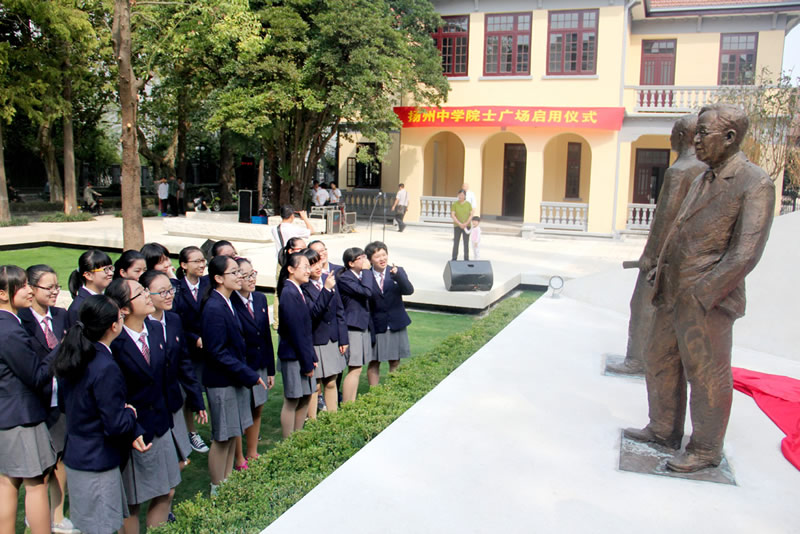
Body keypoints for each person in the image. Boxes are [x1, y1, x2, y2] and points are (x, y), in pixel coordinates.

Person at [624, 104, 776, 473]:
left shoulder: (755, 182)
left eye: (703, 133)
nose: (696, 140)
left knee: (706, 373)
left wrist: (703, 293)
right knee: (659, 359)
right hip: (672, 291)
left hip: (707, 299)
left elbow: (745, 253)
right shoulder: (701, 177)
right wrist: (660, 270)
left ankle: (706, 448)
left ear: (729, 137)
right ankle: (663, 430)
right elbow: (678, 230)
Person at [608, 114, 706, 376]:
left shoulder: (680, 170)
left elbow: (665, 218)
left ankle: (637, 360)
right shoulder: (704, 169)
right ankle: (684, 365)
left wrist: (649, 256)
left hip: (665, 257)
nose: (670, 138)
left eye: (673, 133)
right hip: (690, 257)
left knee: (642, 306)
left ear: (683, 136)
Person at [53, 294, 149, 534]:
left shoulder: (75, 355)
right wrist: (130, 413)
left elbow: (66, 404)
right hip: (96, 462)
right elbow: (115, 424)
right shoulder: (104, 366)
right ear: (113, 327)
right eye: (120, 316)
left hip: (78, 456)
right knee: (101, 528)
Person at [106, 278, 180, 532]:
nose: (148, 295)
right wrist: (131, 428)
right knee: (133, 502)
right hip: (134, 432)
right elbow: (113, 394)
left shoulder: (156, 330)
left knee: (167, 491)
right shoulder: (114, 344)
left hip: (160, 424)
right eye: (140, 293)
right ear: (124, 309)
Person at [200, 256, 266, 495]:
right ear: (218, 278)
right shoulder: (214, 307)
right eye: (234, 273)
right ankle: (217, 488)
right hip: (222, 381)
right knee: (222, 437)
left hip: (232, 378)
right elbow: (216, 352)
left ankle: (227, 483)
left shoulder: (226, 302)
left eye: (241, 272)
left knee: (231, 435)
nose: (240, 276)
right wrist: (247, 374)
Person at [0, 265, 57, 534]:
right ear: (3, 293)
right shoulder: (9, 330)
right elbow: (36, 375)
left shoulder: (10, 324)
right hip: (21, 417)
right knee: (36, 483)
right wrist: (59, 351)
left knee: (7, 482)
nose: (28, 290)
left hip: (7, 415)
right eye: (22, 286)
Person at [19, 265, 73, 534]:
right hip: (35, 401)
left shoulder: (63, 316)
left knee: (60, 459)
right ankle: (35, 515)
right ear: (30, 288)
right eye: (48, 287)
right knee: (40, 465)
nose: (54, 291)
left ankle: (57, 514)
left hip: (61, 399)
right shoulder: (22, 321)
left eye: (56, 286)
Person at [140, 270, 207, 475]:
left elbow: (184, 363)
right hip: (150, 407)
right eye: (162, 292)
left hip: (173, 399)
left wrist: (196, 400)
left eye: (170, 290)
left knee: (177, 461)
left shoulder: (174, 320)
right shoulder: (139, 327)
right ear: (146, 294)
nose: (169, 295)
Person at [230, 258, 275, 470]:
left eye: (253, 274)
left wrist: (270, 369)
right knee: (241, 411)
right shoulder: (230, 302)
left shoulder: (259, 299)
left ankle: (252, 452)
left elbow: (266, 335)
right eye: (246, 276)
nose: (251, 279)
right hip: (242, 365)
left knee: (258, 407)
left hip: (260, 363)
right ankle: (239, 458)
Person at [173, 246, 211, 454]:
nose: (201, 264)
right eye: (196, 261)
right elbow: (177, 321)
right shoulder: (177, 289)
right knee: (190, 393)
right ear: (184, 265)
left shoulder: (209, 284)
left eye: (202, 260)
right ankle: (191, 432)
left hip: (210, 348)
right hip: (189, 349)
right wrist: (194, 338)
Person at [301, 248, 347, 418]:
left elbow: (340, 311)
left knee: (331, 381)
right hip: (316, 339)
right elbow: (313, 314)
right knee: (315, 385)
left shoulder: (328, 280)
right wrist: (326, 290)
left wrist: (343, 338)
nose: (317, 267)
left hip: (332, 339)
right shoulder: (304, 287)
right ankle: (312, 420)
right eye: (312, 264)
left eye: (318, 262)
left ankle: (333, 418)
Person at [276, 253, 317, 437]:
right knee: (292, 399)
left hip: (303, 353)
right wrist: (307, 362)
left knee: (305, 396)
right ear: (291, 270)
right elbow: (295, 331)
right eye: (305, 267)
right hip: (293, 355)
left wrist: (311, 357)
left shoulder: (298, 290)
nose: (309, 271)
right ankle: (288, 442)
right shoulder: (288, 292)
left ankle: (297, 436)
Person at [364, 242, 413, 386]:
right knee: (374, 361)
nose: (382, 258)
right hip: (376, 323)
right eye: (377, 256)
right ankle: (374, 394)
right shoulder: (366, 275)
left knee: (395, 360)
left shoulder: (397, 271)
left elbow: (409, 290)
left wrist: (398, 276)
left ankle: (391, 391)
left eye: (384, 254)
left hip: (395, 322)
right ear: (370, 259)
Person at [337, 247, 374, 403]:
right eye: (360, 258)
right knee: (355, 368)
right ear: (351, 263)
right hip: (352, 327)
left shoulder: (358, 276)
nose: (365, 260)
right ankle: (348, 404)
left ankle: (349, 402)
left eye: (364, 256)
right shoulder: (345, 278)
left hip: (361, 326)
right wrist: (366, 271)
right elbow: (366, 292)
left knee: (358, 368)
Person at [271, 206, 314, 329]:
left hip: (280, 261)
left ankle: (276, 321)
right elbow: (312, 230)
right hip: (294, 262)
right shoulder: (293, 229)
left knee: (278, 290)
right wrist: (305, 218)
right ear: (292, 216)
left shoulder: (275, 229)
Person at [66, 249, 114, 329]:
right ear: (88, 275)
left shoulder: (109, 298)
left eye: (110, 268)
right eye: (105, 270)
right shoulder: (78, 308)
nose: (111, 273)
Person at [450, 189, 473, 261]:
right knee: (456, 242)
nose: (460, 196)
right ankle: (454, 258)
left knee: (466, 242)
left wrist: (466, 223)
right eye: (459, 195)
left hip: (467, 226)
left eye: (462, 195)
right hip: (457, 226)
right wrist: (459, 223)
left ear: (465, 196)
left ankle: (466, 259)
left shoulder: (468, 204)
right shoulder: (455, 204)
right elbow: (453, 215)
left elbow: (471, 214)